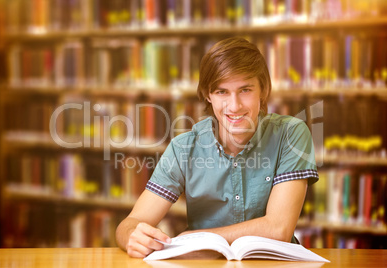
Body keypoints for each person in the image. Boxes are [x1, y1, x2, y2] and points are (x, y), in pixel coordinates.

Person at [116, 37, 319, 258]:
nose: (235, 106)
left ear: (264, 89)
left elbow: (278, 229)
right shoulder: (183, 148)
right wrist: (132, 237)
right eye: (222, 92)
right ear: (207, 95)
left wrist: (195, 237)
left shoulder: (291, 134)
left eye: (245, 90)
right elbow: (130, 223)